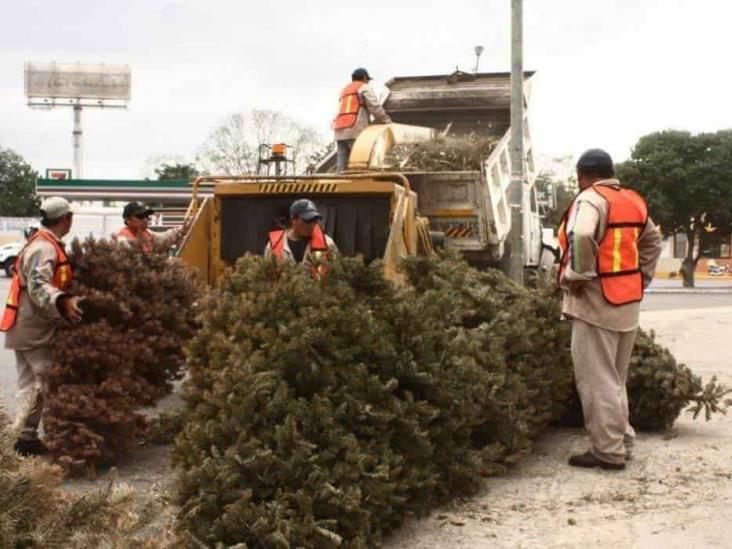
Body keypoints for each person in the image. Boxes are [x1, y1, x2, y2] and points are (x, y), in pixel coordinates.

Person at [557, 149, 662, 471]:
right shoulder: (632, 200)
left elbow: (582, 233)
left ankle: (608, 452)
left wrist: (578, 274)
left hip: (596, 303)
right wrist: (640, 277)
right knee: (615, 378)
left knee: (597, 381)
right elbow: (653, 241)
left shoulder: (590, 198)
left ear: (581, 175)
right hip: (627, 302)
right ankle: (621, 440)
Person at [1, 197, 84, 456]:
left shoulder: (42, 243)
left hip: (25, 324)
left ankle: (23, 440)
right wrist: (62, 300)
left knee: (29, 384)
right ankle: (52, 439)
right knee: (46, 383)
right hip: (33, 327)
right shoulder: (44, 248)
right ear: (65, 219)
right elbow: (38, 285)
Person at [333, 67, 392, 172]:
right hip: (355, 128)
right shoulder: (364, 88)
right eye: (368, 80)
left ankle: (342, 183)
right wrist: (387, 121)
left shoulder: (344, 90)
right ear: (364, 78)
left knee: (342, 165)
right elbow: (374, 106)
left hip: (339, 129)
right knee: (361, 163)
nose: (368, 82)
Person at [264, 199, 337, 277]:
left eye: (314, 221)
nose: (311, 225)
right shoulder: (274, 246)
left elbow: (338, 273)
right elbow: (266, 277)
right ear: (293, 220)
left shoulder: (327, 243)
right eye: (307, 220)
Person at [114, 201, 189, 254]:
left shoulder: (147, 234)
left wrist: (184, 228)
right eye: (140, 216)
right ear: (127, 220)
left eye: (146, 216)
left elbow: (165, 238)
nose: (145, 219)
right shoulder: (122, 240)